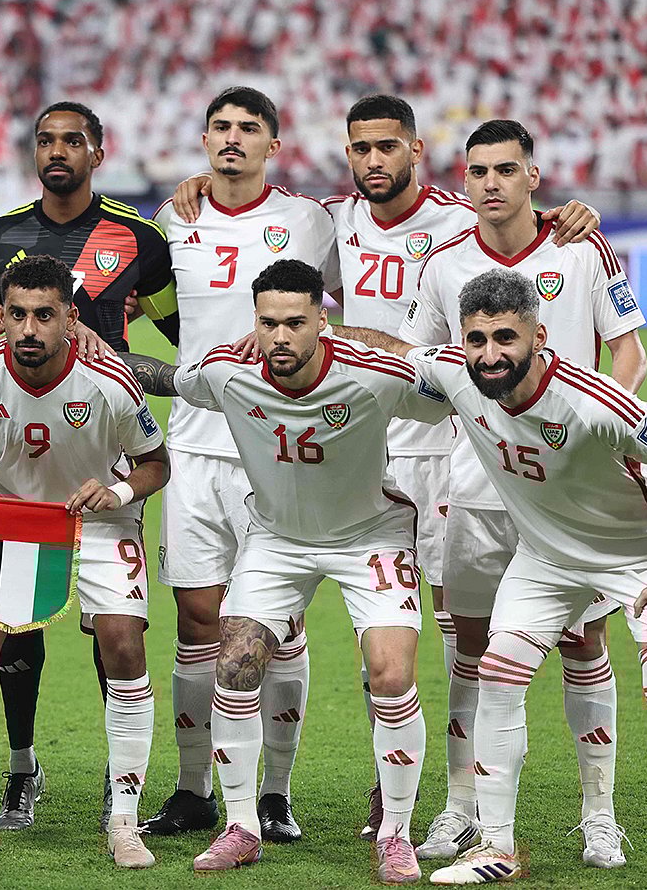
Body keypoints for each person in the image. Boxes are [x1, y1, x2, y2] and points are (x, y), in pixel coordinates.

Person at [173, 96, 602, 840]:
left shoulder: (454, 222)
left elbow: (511, 234)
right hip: (365, 437)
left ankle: (447, 796)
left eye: (387, 147)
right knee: (380, 627)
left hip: (446, 442)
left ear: (415, 152)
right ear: (348, 155)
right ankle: (368, 789)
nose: (374, 160)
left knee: (446, 632)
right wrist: (195, 193)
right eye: (361, 148)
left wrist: (570, 214)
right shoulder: (331, 222)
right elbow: (271, 270)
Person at [342, 119, 645, 866]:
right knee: (469, 646)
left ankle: (598, 813)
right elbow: (426, 369)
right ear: (465, 179)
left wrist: (595, 435)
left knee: (584, 640)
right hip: (476, 484)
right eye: (478, 171)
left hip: (574, 491)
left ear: (533, 176)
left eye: (507, 169)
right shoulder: (442, 262)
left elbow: (628, 354)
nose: (492, 183)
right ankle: (460, 806)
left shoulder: (580, 245)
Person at [124, 258, 451, 881]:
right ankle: (242, 825)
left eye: (295, 323)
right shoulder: (228, 372)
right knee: (235, 659)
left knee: (389, 673)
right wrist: (89, 347)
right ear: (255, 320)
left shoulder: (375, 376)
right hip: (276, 539)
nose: (280, 337)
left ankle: (396, 833)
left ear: (320, 322)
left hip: (369, 535)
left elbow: (454, 390)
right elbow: (166, 378)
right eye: (268, 323)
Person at [0, 101, 176, 831]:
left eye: (72, 140)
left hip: (105, 447)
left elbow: (181, 334)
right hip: (26, 454)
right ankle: (20, 769)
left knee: (116, 637)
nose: (57, 151)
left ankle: (122, 778)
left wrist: (130, 354)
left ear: (97, 152)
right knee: (13, 627)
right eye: (45, 140)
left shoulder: (141, 238)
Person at [0, 255, 170, 868]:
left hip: (101, 518)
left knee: (123, 644)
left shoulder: (111, 382)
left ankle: (124, 820)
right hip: (15, 519)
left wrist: (116, 493)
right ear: (1, 317)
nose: (29, 328)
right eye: (17, 315)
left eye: (44, 315)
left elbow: (154, 463)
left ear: (69, 317)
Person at [141, 86, 341, 843]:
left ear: (273, 144)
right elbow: (162, 316)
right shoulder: (174, 217)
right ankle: (194, 788)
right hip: (194, 443)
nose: (232, 139)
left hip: (280, 447)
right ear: (204, 138)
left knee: (278, 626)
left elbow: (341, 317)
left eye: (248, 128)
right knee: (197, 621)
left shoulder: (307, 220)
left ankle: (275, 794)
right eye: (220, 127)